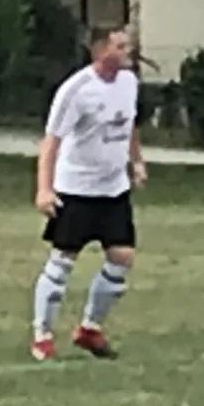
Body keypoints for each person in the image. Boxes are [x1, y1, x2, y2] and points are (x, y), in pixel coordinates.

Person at [31, 28, 146, 361]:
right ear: (99, 51)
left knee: (122, 257)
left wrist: (136, 161)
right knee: (62, 261)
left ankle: (89, 329)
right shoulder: (76, 90)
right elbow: (51, 141)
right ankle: (42, 335)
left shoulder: (129, 82)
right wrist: (44, 189)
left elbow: (130, 123)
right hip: (77, 190)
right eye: (120, 46)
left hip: (113, 190)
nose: (128, 50)